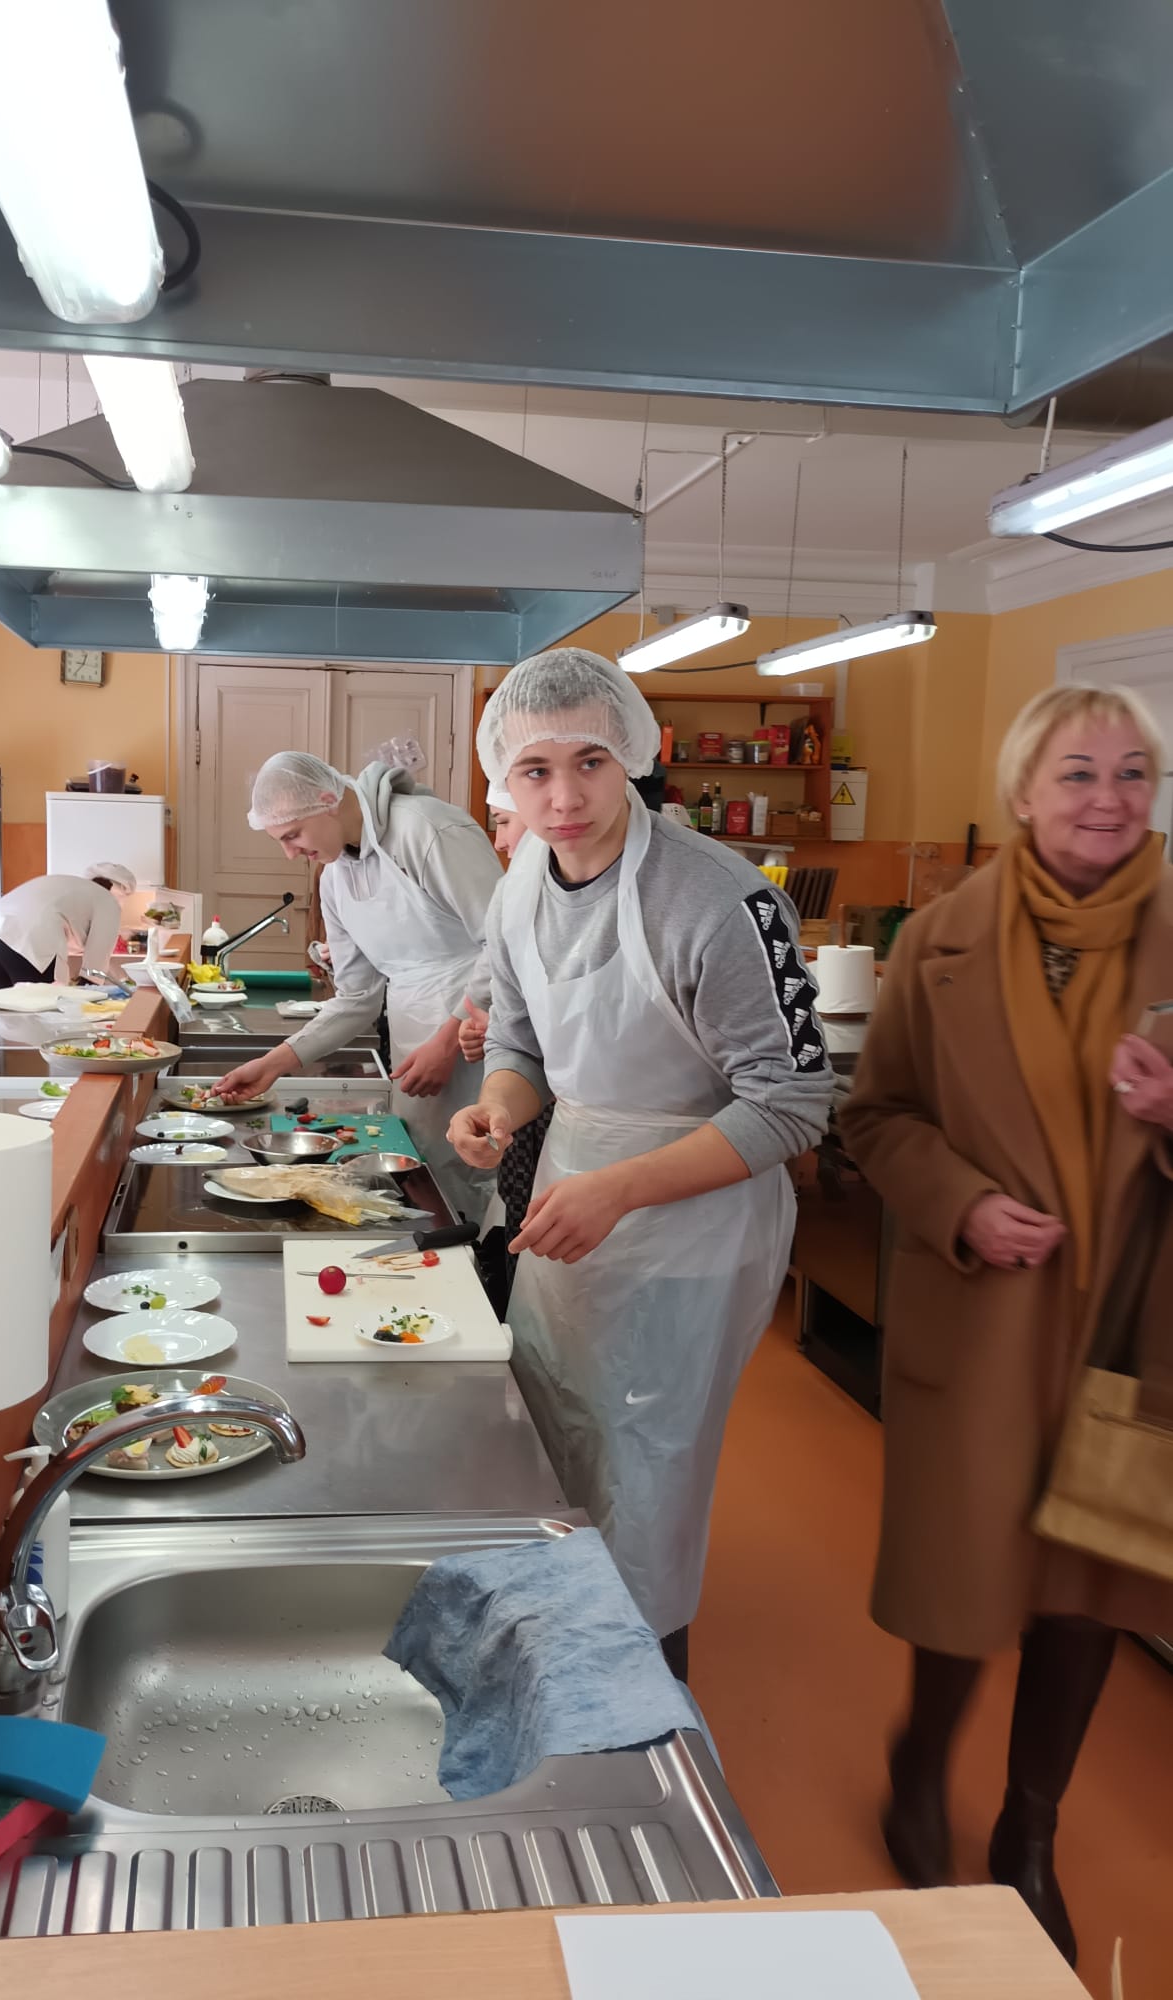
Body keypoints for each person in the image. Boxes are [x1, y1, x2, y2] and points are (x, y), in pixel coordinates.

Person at [840, 682, 1173, 1967]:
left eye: (1133, 772)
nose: (1109, 797)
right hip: (984, 1315)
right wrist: (964, 1203)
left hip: (1132, 1320)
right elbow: (877, 1116)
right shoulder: (941, 937)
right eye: (1079, 772)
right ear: (1024, 792)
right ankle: (920, 1761)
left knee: (1088, 1587)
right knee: (965, 1573)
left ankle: (1030, 1826)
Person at [447, 649, 832, 1681]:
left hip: (691, 1225)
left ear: (635, 756)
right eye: (535, 772)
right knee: (556, 1439)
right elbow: (521, 1045)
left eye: (589, 762)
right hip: (572, 1199)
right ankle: (559, 1674)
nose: (564, 798)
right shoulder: (519, 889)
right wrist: (495, 1111)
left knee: (648, 1482)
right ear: (501, 780)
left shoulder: (717, 899)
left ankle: (643, 1711)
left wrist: (620, 1189)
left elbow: (792, 1102)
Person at [217, 752, 503, 1224]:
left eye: (292, 835)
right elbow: (357, 998)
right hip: (412, 1028)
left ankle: (483, 1261)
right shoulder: (334, 879)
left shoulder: (426, 831)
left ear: (328, 801)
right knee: (427, 1168)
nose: (290, 853)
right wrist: (274, 1064)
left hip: (482, 1026)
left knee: (480, 1164)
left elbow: (504, 943)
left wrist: (447, 1040)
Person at [459, 781, 552, 1298]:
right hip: (529, 1112)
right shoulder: (516, 895)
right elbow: (517, 1017)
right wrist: (492, 1031)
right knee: (526, 1231)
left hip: (569, 1124)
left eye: (503, 821)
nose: (499, 841)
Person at [0, 863, 134, 989]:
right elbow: (96, 962)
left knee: (2, 1012)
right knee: (42, 1013)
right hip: (29, 942)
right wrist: (87, 992)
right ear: (121, 891)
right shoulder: (107, 901)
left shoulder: (71, 886)